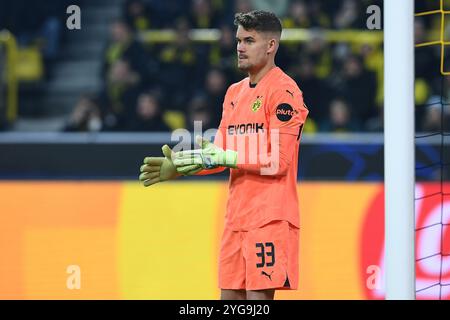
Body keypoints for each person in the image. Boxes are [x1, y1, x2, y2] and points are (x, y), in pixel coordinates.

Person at [139, 10, 309, 300]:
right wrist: (180, 166)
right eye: (239, 40)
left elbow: (278, 162)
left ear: (271, 46)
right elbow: (216, 152)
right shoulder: (233, 93)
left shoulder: (284, 92)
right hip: (235, 219)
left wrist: (225, 158)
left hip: (269, 219)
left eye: (249, 40)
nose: (240, 47)